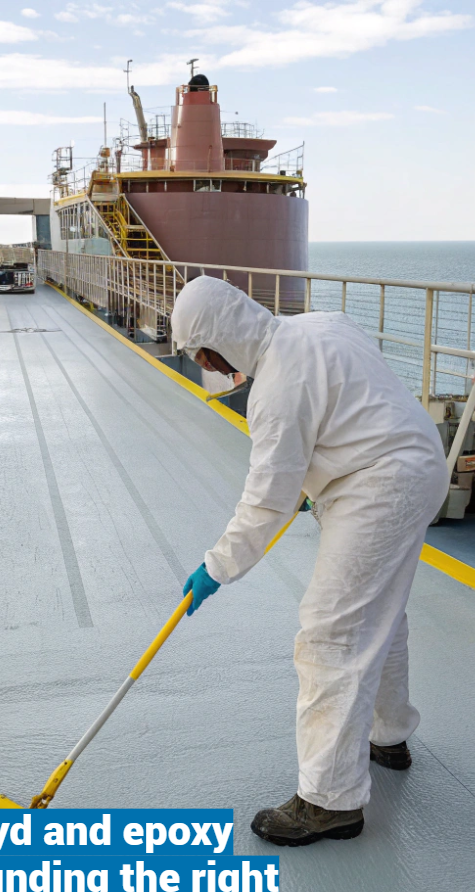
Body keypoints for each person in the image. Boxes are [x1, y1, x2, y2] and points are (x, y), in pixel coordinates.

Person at [171, 276, 448, 847]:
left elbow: (265, 503)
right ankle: (388, 733)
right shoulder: (321, 324)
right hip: (418, 462)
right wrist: (315, 470)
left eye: (204, 356)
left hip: (379, 488)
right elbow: (350, 403)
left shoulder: (275, 389)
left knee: (330, 635)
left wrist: (216, 568)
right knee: (380, 614)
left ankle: (329, 800)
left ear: (220, 339)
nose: (210, 367)